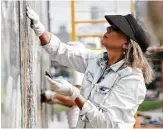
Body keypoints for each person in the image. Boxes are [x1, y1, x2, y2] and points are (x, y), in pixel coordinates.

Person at [26, 6, 155, 128]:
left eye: (115, 28)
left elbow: (106, 123)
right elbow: (62, 51)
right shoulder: (98, 60)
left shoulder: (132, 80)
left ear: (127, 44)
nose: (108, 29)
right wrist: (40, 30)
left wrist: (74, 93)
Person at [42, 42, 85, 128]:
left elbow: (75, 100)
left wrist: (53, 95)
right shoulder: (82, 69)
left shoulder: (79, 71)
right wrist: (56, 100)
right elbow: (77, 103)